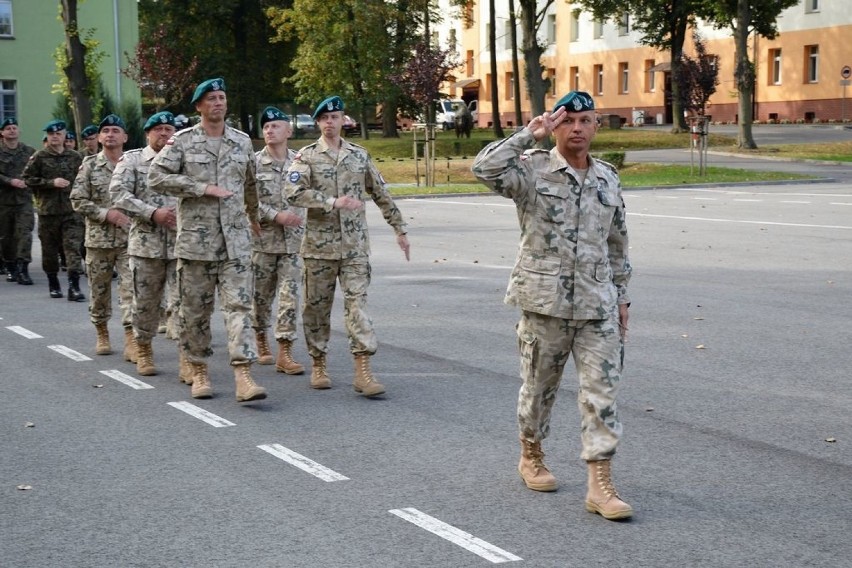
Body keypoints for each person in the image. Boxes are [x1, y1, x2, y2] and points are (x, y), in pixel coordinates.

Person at [472, 91, 634, 521]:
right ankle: (532, 454)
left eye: (585, 120)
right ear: (556, 125)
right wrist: (529, 134)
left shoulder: (608, 179)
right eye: (567, 121)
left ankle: (600, 484)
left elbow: (616, 244)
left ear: (597, 125)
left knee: (602, 394)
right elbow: (483, 169)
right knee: (539, 390)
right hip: (544, 303)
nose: (576, 128)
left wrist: (622, 298)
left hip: (597, 306)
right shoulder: (532, 172)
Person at [148, 77, 268, 403]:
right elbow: (156, 176)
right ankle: (198, 370)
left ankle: (244, 374)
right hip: (196, 244)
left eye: (222, 97)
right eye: (211, 98)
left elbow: (251, 185)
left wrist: (254, 218)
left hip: (236, 242)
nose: (218, 103)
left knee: (240, 307)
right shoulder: (183, 142)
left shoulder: (242, 142)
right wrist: (200, 188)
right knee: (195, 312)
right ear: (199, 106)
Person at [284, 95, 410, 396]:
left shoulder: (359, 156)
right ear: (318, 123)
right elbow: (292, 192)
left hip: (354, 247)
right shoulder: (306, 156)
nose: (330, 123)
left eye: (336, 117)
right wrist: (330, 202)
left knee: (358, 305)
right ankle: (318, 363)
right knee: (316, 309)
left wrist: (399, 229)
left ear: (344, 120)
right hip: (318, 248)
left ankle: (363, 370)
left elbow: (380, 192)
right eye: (325, 119)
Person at [110, 111, 179, 377]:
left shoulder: (184, 160)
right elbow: (118, 193)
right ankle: (144, 349)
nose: (164, 134)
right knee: (146, 303)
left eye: (168, 129)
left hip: (182, 245)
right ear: (148, 134)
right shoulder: (133, 160)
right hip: (145, 245)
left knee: (186, 304)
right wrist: (152, 212)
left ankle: (188, 358)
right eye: (158, 129)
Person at [71, 114, 134, 360]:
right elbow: (77, 200)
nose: (110, 134)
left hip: (130, 239)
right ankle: (102, 332)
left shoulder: (133, 164)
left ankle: (131, 339)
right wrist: (105, 214)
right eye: (105, 131)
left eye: (115, 131)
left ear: (125, 137)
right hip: (98, 241)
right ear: (99, 137)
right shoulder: (89, 165)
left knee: (131, 291)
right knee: (99, 292)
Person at [251, 106, 306, 374]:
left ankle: (285, 350)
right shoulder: (252, 163)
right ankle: (260, 337)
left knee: (290, 296)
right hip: (262, 242)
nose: (270, 130)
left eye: (275, 125)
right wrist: (275, 216)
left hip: (294, 244)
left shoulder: (301, 162)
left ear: (288, 130)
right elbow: (245, 200)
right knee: (261, 297)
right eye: (266, 127)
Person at [22, 119, 85, 300]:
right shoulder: (39, 157)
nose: (54, 137)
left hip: (71, 212)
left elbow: (84, 179)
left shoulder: (75, 157)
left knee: (72, 248)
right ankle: (53, 283)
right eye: (51, 134)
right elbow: (27, 179)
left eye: (58, 134)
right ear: (47, 137)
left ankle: (74, 287)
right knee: (49, 251)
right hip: (48, 213)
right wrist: (50, 183)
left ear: (65, 136)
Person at [0, 118, 36, 285]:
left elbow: (38, 170)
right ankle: (10, 265)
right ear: (2, 133)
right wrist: (9, 181)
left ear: (19, 131)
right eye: (8, 128)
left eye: (14, 128)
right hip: (3, 201)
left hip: (24, 201)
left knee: (24, 234)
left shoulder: (29, 151)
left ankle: (23, 268)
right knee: (6, 237)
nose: (12, 130)